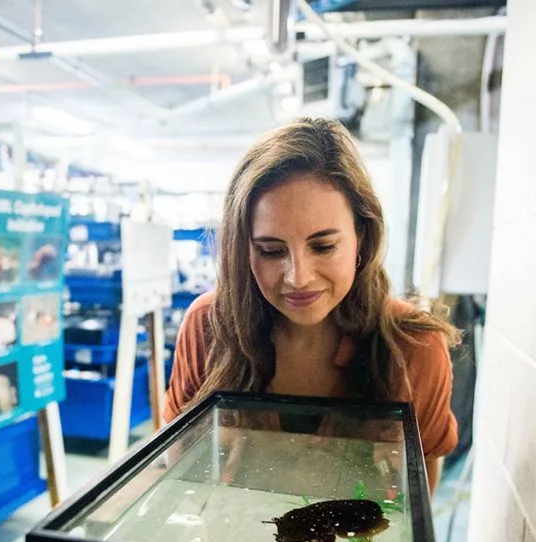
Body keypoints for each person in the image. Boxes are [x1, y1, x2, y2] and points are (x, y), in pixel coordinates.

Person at [162, 117, 459, 494]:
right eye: (270, 251)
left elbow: (420, 500)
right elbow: (178, 474)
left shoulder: (414, 347)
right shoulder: (208, 325)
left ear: (362, 237)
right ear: (243, 249)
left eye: (323, 246)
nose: (297, 277)